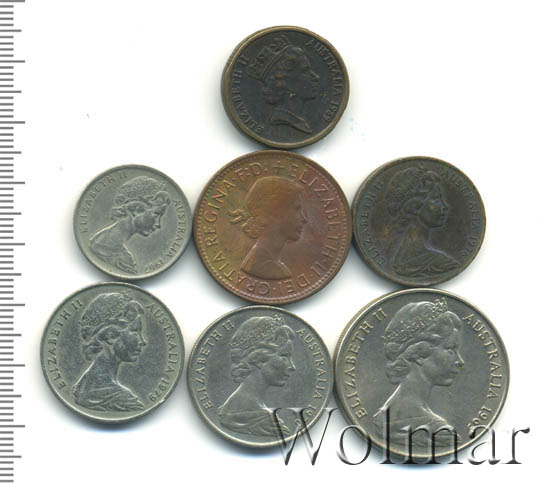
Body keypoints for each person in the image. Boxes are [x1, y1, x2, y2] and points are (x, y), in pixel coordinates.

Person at [373, 298, 464, 446]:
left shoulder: (381, 417)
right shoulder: (441, 433)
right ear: (419, 353)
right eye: (450, 349)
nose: (460, 361)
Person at [218, 316, 296, 437]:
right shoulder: (256, 417)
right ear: (258, 359)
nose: (292, 366)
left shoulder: (231, 408)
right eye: (284, 356)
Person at [73, 292, 147, 412]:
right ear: (110, 335)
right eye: (135, 331)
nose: (142, 341)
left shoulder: (80, 388)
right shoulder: (124, 400)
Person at [384, 167, 459, 277]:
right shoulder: (442, 264)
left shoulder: (399, 261)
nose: (445, 206)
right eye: (436, 199)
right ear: (414, 207)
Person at [229, 176, 307, 280]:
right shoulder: (267, 267)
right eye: (296, 209)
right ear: (274, 213)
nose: (304, 219)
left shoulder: (263, 261)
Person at [89, 176, 170, 274]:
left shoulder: (100, 240)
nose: (158, 224)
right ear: (137, 210)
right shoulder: (121, 257)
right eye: (156, 215)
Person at [247, 35, 320, 133]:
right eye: (305, 71)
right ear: (285, 82)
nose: (316, 77)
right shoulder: (289, 120)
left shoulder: (300, 121)